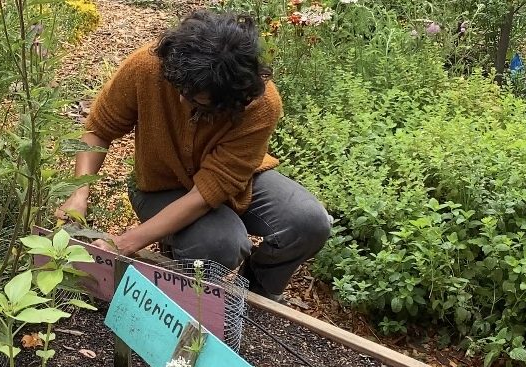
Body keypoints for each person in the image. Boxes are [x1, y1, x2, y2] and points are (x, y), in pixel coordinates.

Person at [56, 9, 331, 300]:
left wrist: (124, 243)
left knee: (309, 223)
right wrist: (79, 193)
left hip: (234, 181)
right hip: (160, 185)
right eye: (180, 88)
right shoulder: (148, 67)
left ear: (232, 98)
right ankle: (179, 271)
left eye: (197, 99)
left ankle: (253, 295)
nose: (180, 99)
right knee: (219, 245)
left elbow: (207, 192)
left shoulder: (261, 104)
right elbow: (99, 129)